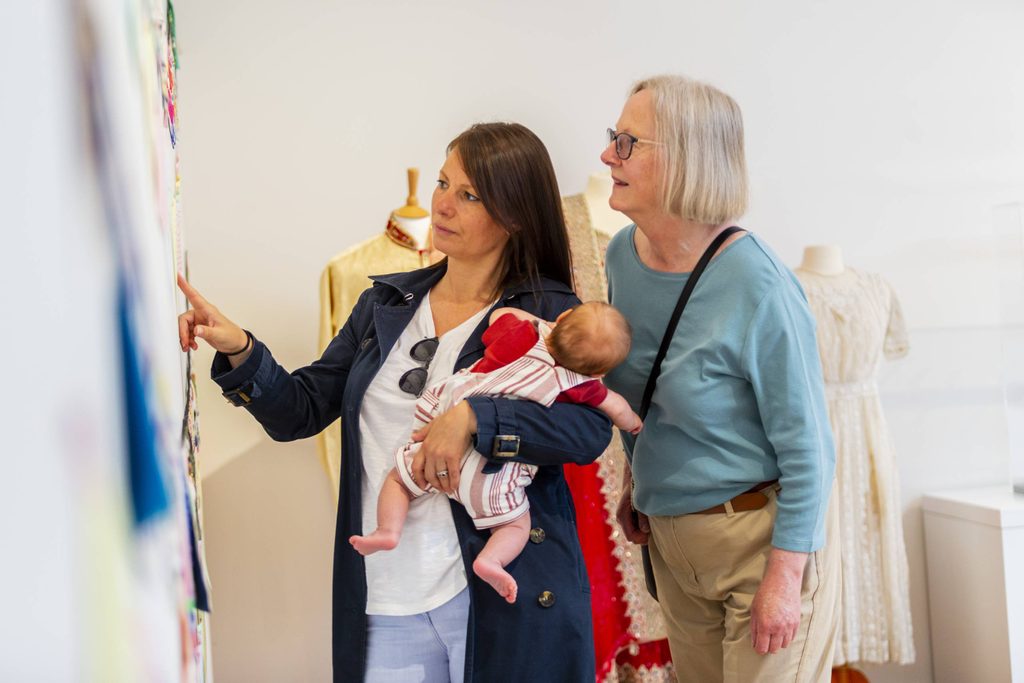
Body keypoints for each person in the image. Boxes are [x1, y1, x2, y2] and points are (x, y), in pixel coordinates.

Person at [176, 122, 611, 682]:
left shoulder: (547, 309)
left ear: (516, 216)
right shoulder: (386, 302)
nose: (442, 205)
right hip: (384, 598)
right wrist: (239, 348)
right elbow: (300, 411)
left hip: (491, 592)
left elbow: (588, 430)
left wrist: (478, 418)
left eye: (469, 195)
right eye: (443, 183)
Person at [602, 75, 840, 683]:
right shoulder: (621, 257)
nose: (608, 156)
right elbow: (645, 394)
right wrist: (639, 478)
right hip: (674, 546)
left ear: (685, 160)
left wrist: (786, 579)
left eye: (628, 142)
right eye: (613, 138)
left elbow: (810, 448)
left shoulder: (758, 284)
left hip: (760, 548)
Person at [349, 302, 642, 604]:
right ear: (601, 370)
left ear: (563, 316)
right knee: (515, 524)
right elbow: (616, 407)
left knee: (398, 481)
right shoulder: (581, 387)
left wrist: (540, 323)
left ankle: (388, 530)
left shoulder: (521, 337)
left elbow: (499, 316)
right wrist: (633, 423)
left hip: (435, 440)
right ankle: (491, 560)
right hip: (493, 473)